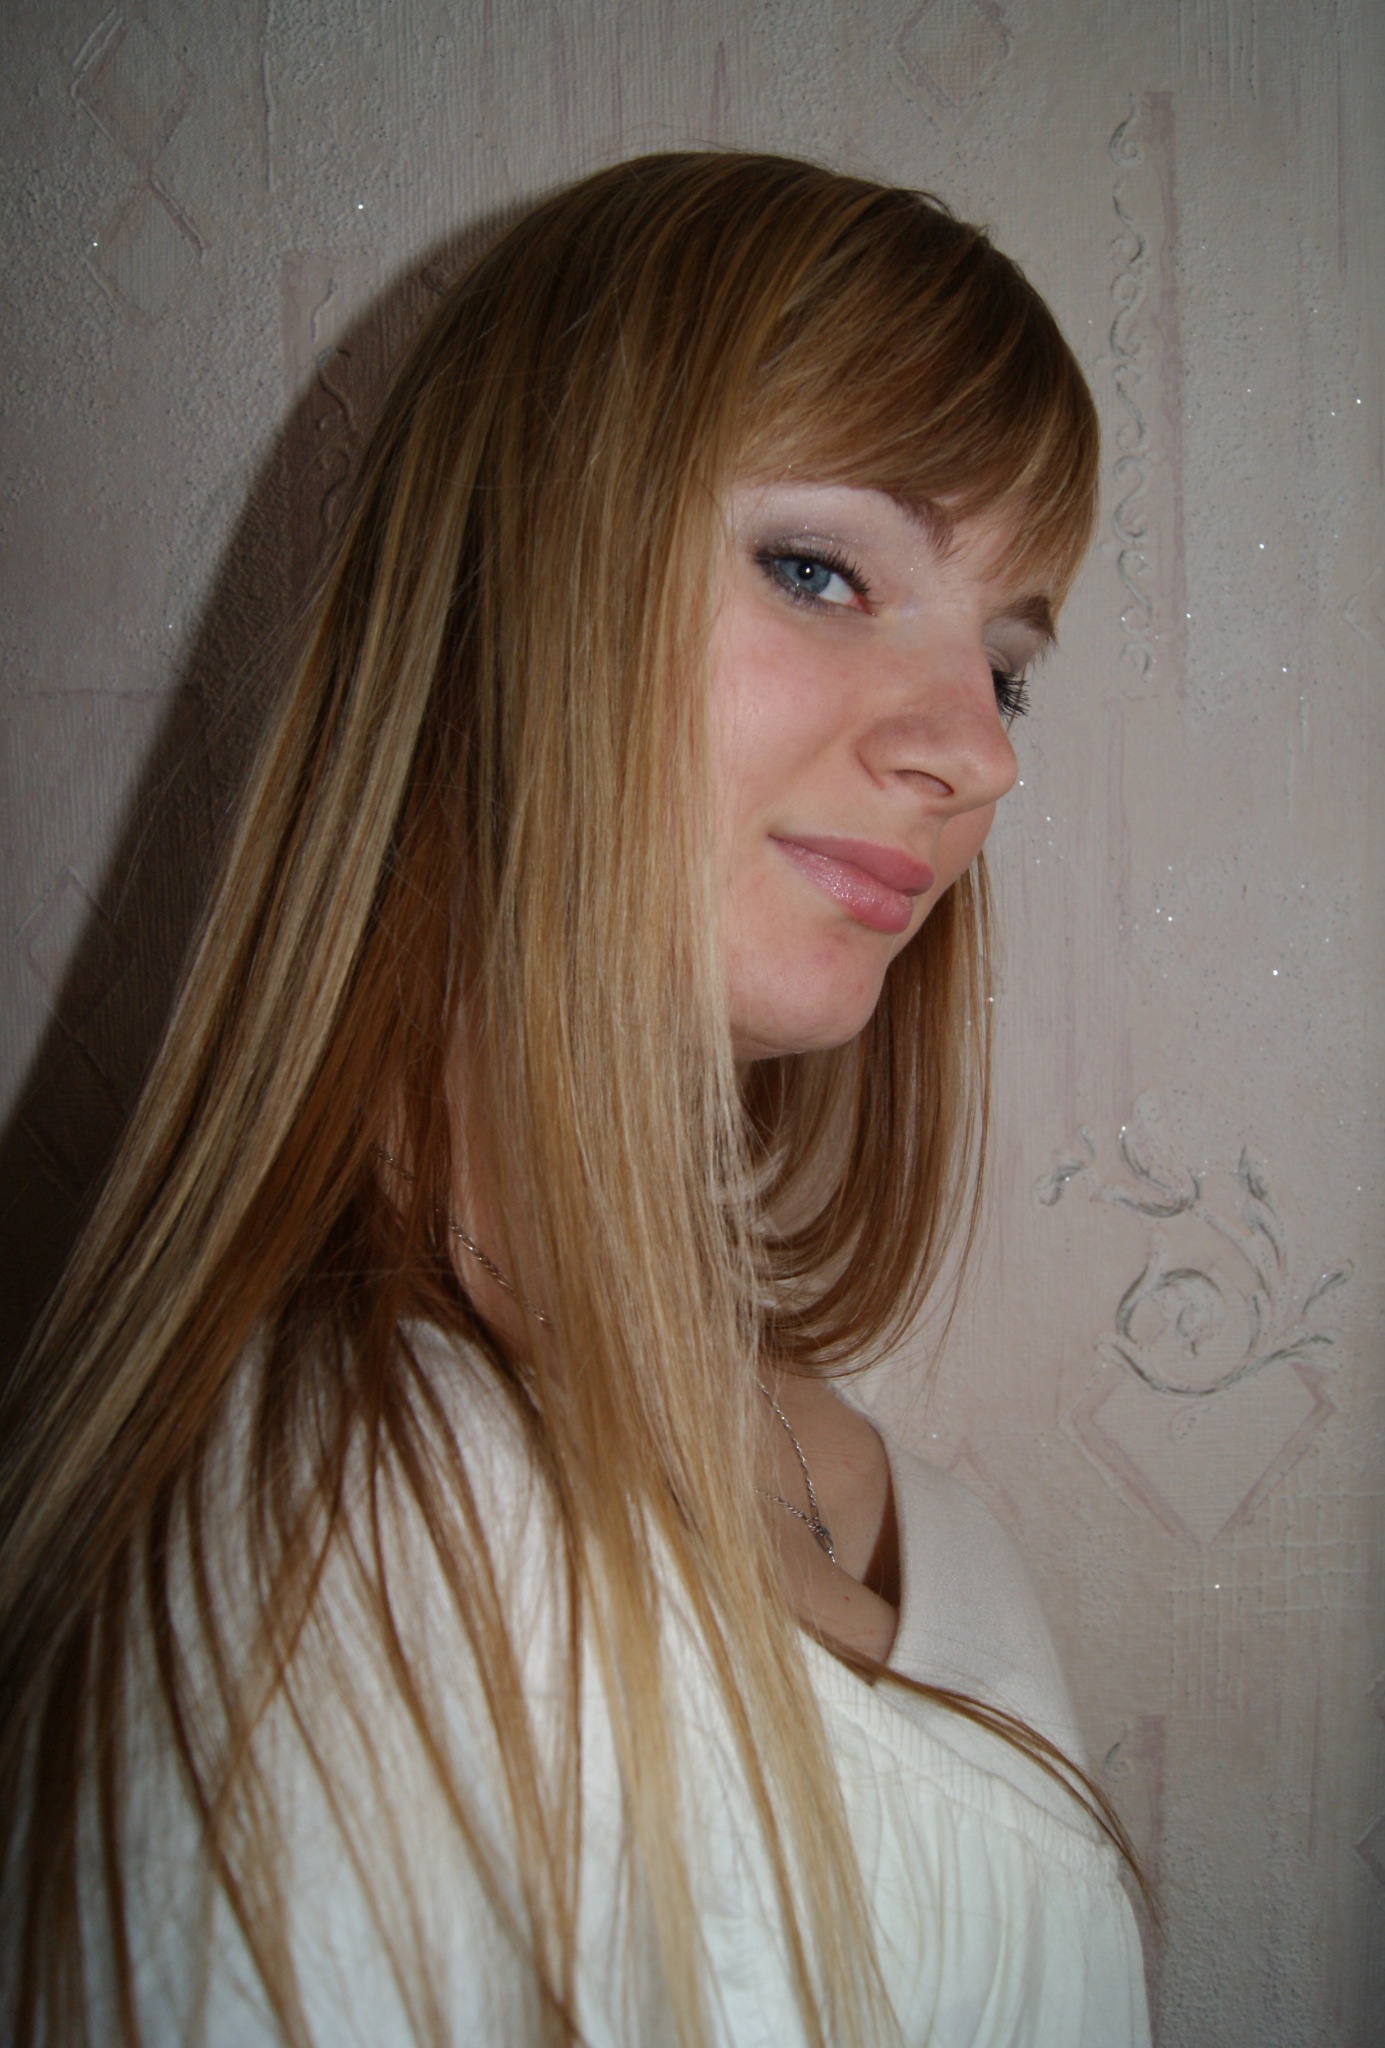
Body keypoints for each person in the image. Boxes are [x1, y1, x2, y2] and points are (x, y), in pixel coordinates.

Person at [0, 151, 1150, 2046]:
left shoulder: (865, 1483)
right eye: (818, 569)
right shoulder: (337, 1568)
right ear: (502, 599)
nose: (976, 754)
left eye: (1005, 664)